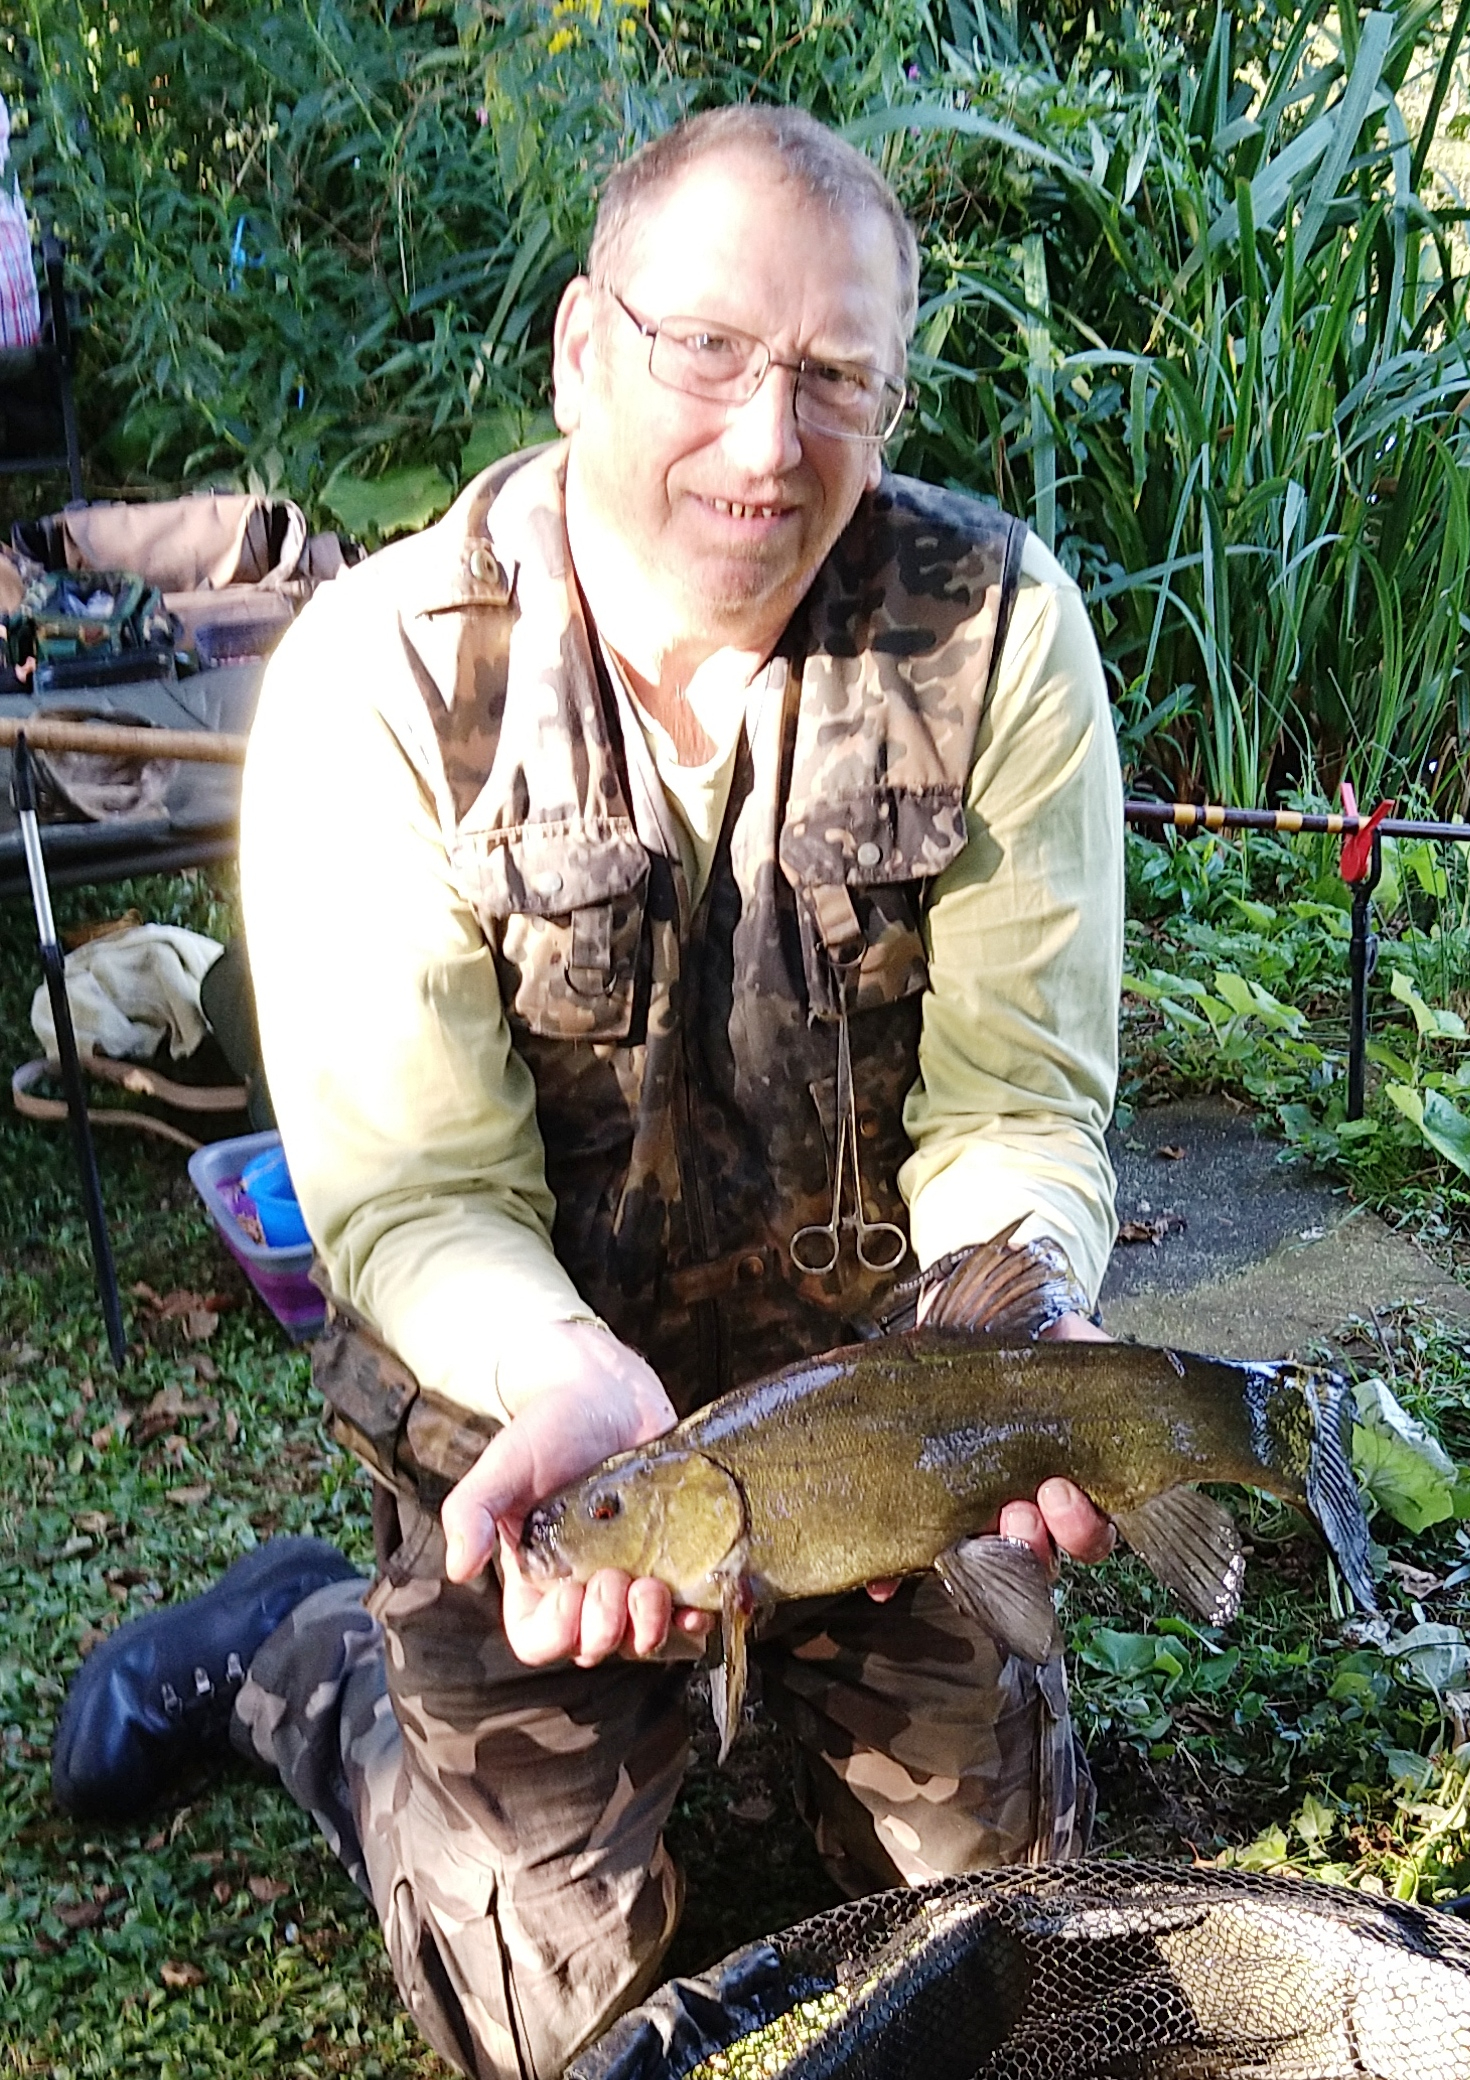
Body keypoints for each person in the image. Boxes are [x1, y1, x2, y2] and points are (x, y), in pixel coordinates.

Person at [53, 105, 1124, 2080]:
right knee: (547, 2012)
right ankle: (310, 1655)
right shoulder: (381, 677)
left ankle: (805, 1688)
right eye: (704, 348)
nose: (767, 440)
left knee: (1000, 1963)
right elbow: (412, 1192)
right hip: (540, 1445)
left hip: (873, 1407)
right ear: (575, 348)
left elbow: (1018, 1101)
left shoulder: (992, 634)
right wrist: (561, 1377)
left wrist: (1011, 1317)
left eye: (836, 376)